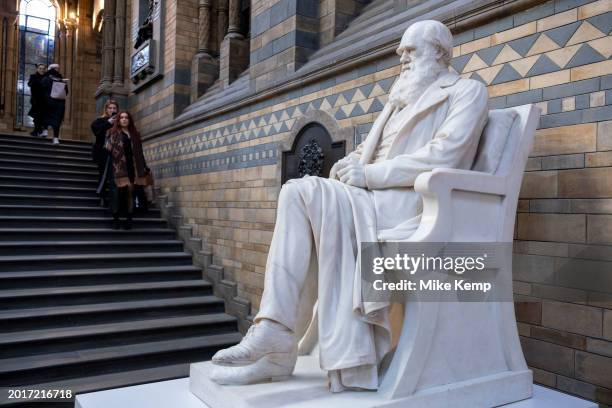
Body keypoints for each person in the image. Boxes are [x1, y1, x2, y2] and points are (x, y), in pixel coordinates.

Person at [208, 20, 489, 391]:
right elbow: (369, 149)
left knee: (298, 193)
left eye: (410, 50)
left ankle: (276, 338)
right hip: (369, 196)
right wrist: (350, 164)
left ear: (439, 51)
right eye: (400, 50)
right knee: (299, 195)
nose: (400, 56)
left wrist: (370, 175)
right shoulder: (401, 94)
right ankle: (275, 334)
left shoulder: (466, 91)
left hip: (408, 204)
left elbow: (447, 155)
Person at [105, 111, 150, 230]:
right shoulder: (113, 133)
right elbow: (108, 149)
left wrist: (144, 166)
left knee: (131, 192)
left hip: (132, 167)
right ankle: (116, 218)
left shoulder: (135, 134)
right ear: (118, 120)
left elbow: (140, 152)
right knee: (118, 194)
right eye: (122, 117)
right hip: (118, 168)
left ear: (129, 120)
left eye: (126, 117)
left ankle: (129, 219)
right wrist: (108, 144)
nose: (124, 119)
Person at [91, 100, 118, 206]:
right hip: (102, 152)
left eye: (114, 108)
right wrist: (108, 123)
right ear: (106, 109)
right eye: (110, 108)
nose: (112, 110)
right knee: (103, 174)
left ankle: (113, 197)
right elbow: (96, 131)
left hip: (115, 152)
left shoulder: (119, 120)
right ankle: (102, 196)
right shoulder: (100, 120)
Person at [41, 63, 68, 145]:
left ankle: (45, 131)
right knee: (57, 120)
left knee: (45, 115)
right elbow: (66, 92)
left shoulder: (46, 78)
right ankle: (55, 138)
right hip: (59, 104)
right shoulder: (61, 79)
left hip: (48, 101)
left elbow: (41, 88)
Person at [27, 64, 47, 137]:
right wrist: (37, 82)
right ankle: (38, 130)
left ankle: (37, 131)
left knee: (40, 116)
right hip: (35, 100)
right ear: (37, 69)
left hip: (44, 100)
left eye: (43, 69)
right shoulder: (33, 76)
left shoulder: (46, 77)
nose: (41, 70)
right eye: (40, 68)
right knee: (36, 115)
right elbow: (29, 84)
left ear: (45, 70)